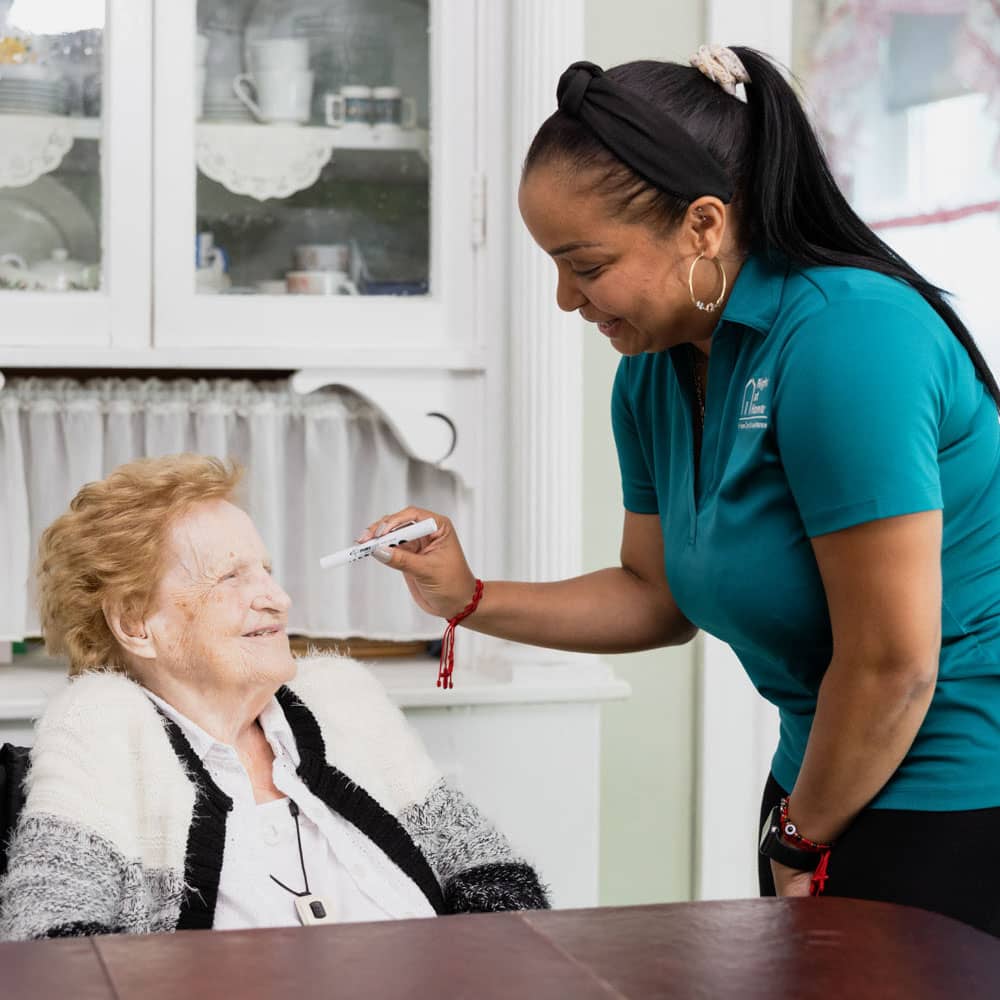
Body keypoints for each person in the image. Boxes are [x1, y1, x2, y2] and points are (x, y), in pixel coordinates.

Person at [360, 45, 1000, 935]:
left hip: (957, 796)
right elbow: (655, 598)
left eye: (585, 264)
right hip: (820, 787)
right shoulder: (658, 371)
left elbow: (894, 666)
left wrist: (797, 837)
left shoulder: (851, 338)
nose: (565, 299)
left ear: (703, 224)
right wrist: (466, 596)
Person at [0, 454, 548, 941]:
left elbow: (486, 868)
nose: (277, 599)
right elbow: (50, 939)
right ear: (135, 621)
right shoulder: (102, 733)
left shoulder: (341, 702)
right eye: (231, 577)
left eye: (266, 571)